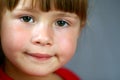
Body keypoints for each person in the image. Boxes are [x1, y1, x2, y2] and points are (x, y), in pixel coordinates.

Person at [0, 0, 88, 80]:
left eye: (61, 23)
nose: (43, 38)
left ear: (79, 30)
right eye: (26, 18)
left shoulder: (70, 77)